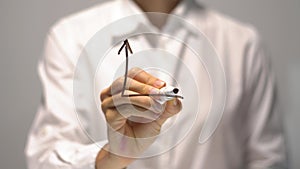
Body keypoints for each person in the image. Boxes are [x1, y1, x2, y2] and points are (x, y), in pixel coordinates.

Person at [25, 0, 287, 168]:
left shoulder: (242, 42)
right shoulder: (71, 36)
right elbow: (45, 158)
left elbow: (268, 158)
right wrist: (114, 155)